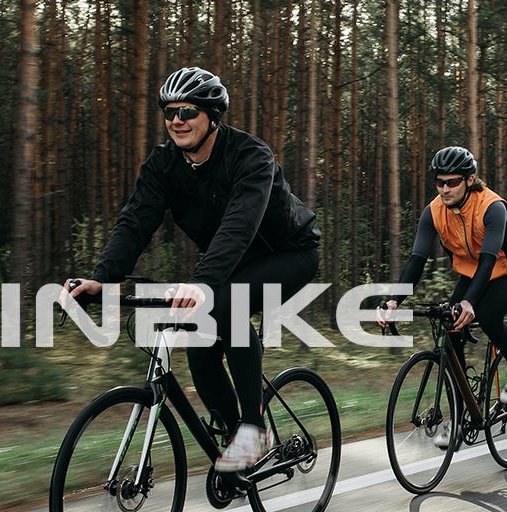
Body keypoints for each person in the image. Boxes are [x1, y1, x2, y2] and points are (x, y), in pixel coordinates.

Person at [63, 67, 321, 472]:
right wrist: (103, 278)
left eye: (187, 111)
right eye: (169, 112)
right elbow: (135, 222)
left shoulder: (251, 156)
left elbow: (240, 224)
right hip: (231, 263)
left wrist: (202, 283)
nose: (176, 120)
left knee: (230, 307)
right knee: (200, 348)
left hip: (290, 252)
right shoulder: (164, 164)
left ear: (213, 116)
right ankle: (236, 440)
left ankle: (254, 431)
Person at [378, 147, 507, 448]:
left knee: (487, 317)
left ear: (470, 180)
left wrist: (470, 303)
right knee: (450, 327)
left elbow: (488, 259)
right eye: (440, 182)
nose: (445, 188)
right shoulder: (433, 211)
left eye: (452, 182)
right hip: (473, 271)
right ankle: (464, 414)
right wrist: (395, 301)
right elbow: (417, 260)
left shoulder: (492, 206)